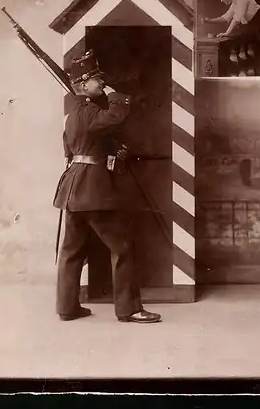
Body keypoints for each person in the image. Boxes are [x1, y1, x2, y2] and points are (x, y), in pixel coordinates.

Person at [53, 49, 162, 324]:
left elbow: (72, 147)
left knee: (71, 249)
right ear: (83, 84)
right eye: (97, 80)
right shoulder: (91, 111)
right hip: (92, 188)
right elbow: (115, 117)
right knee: (122, 247)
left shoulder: (72, 116)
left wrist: (110, 148)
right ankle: (129, 309)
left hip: (72, 188)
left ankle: (67, 308)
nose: (102, 83)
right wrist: (115, 95)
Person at [202, 0, 260, 76]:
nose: (221, 0)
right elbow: (226, 18)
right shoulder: (234, 4)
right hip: (247, 28)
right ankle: (241, 71)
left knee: (242, 50)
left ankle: (247, 71)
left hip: (257, 27)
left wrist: (227, 33)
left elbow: (238, 17)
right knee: (233, 48)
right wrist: (209, 20)